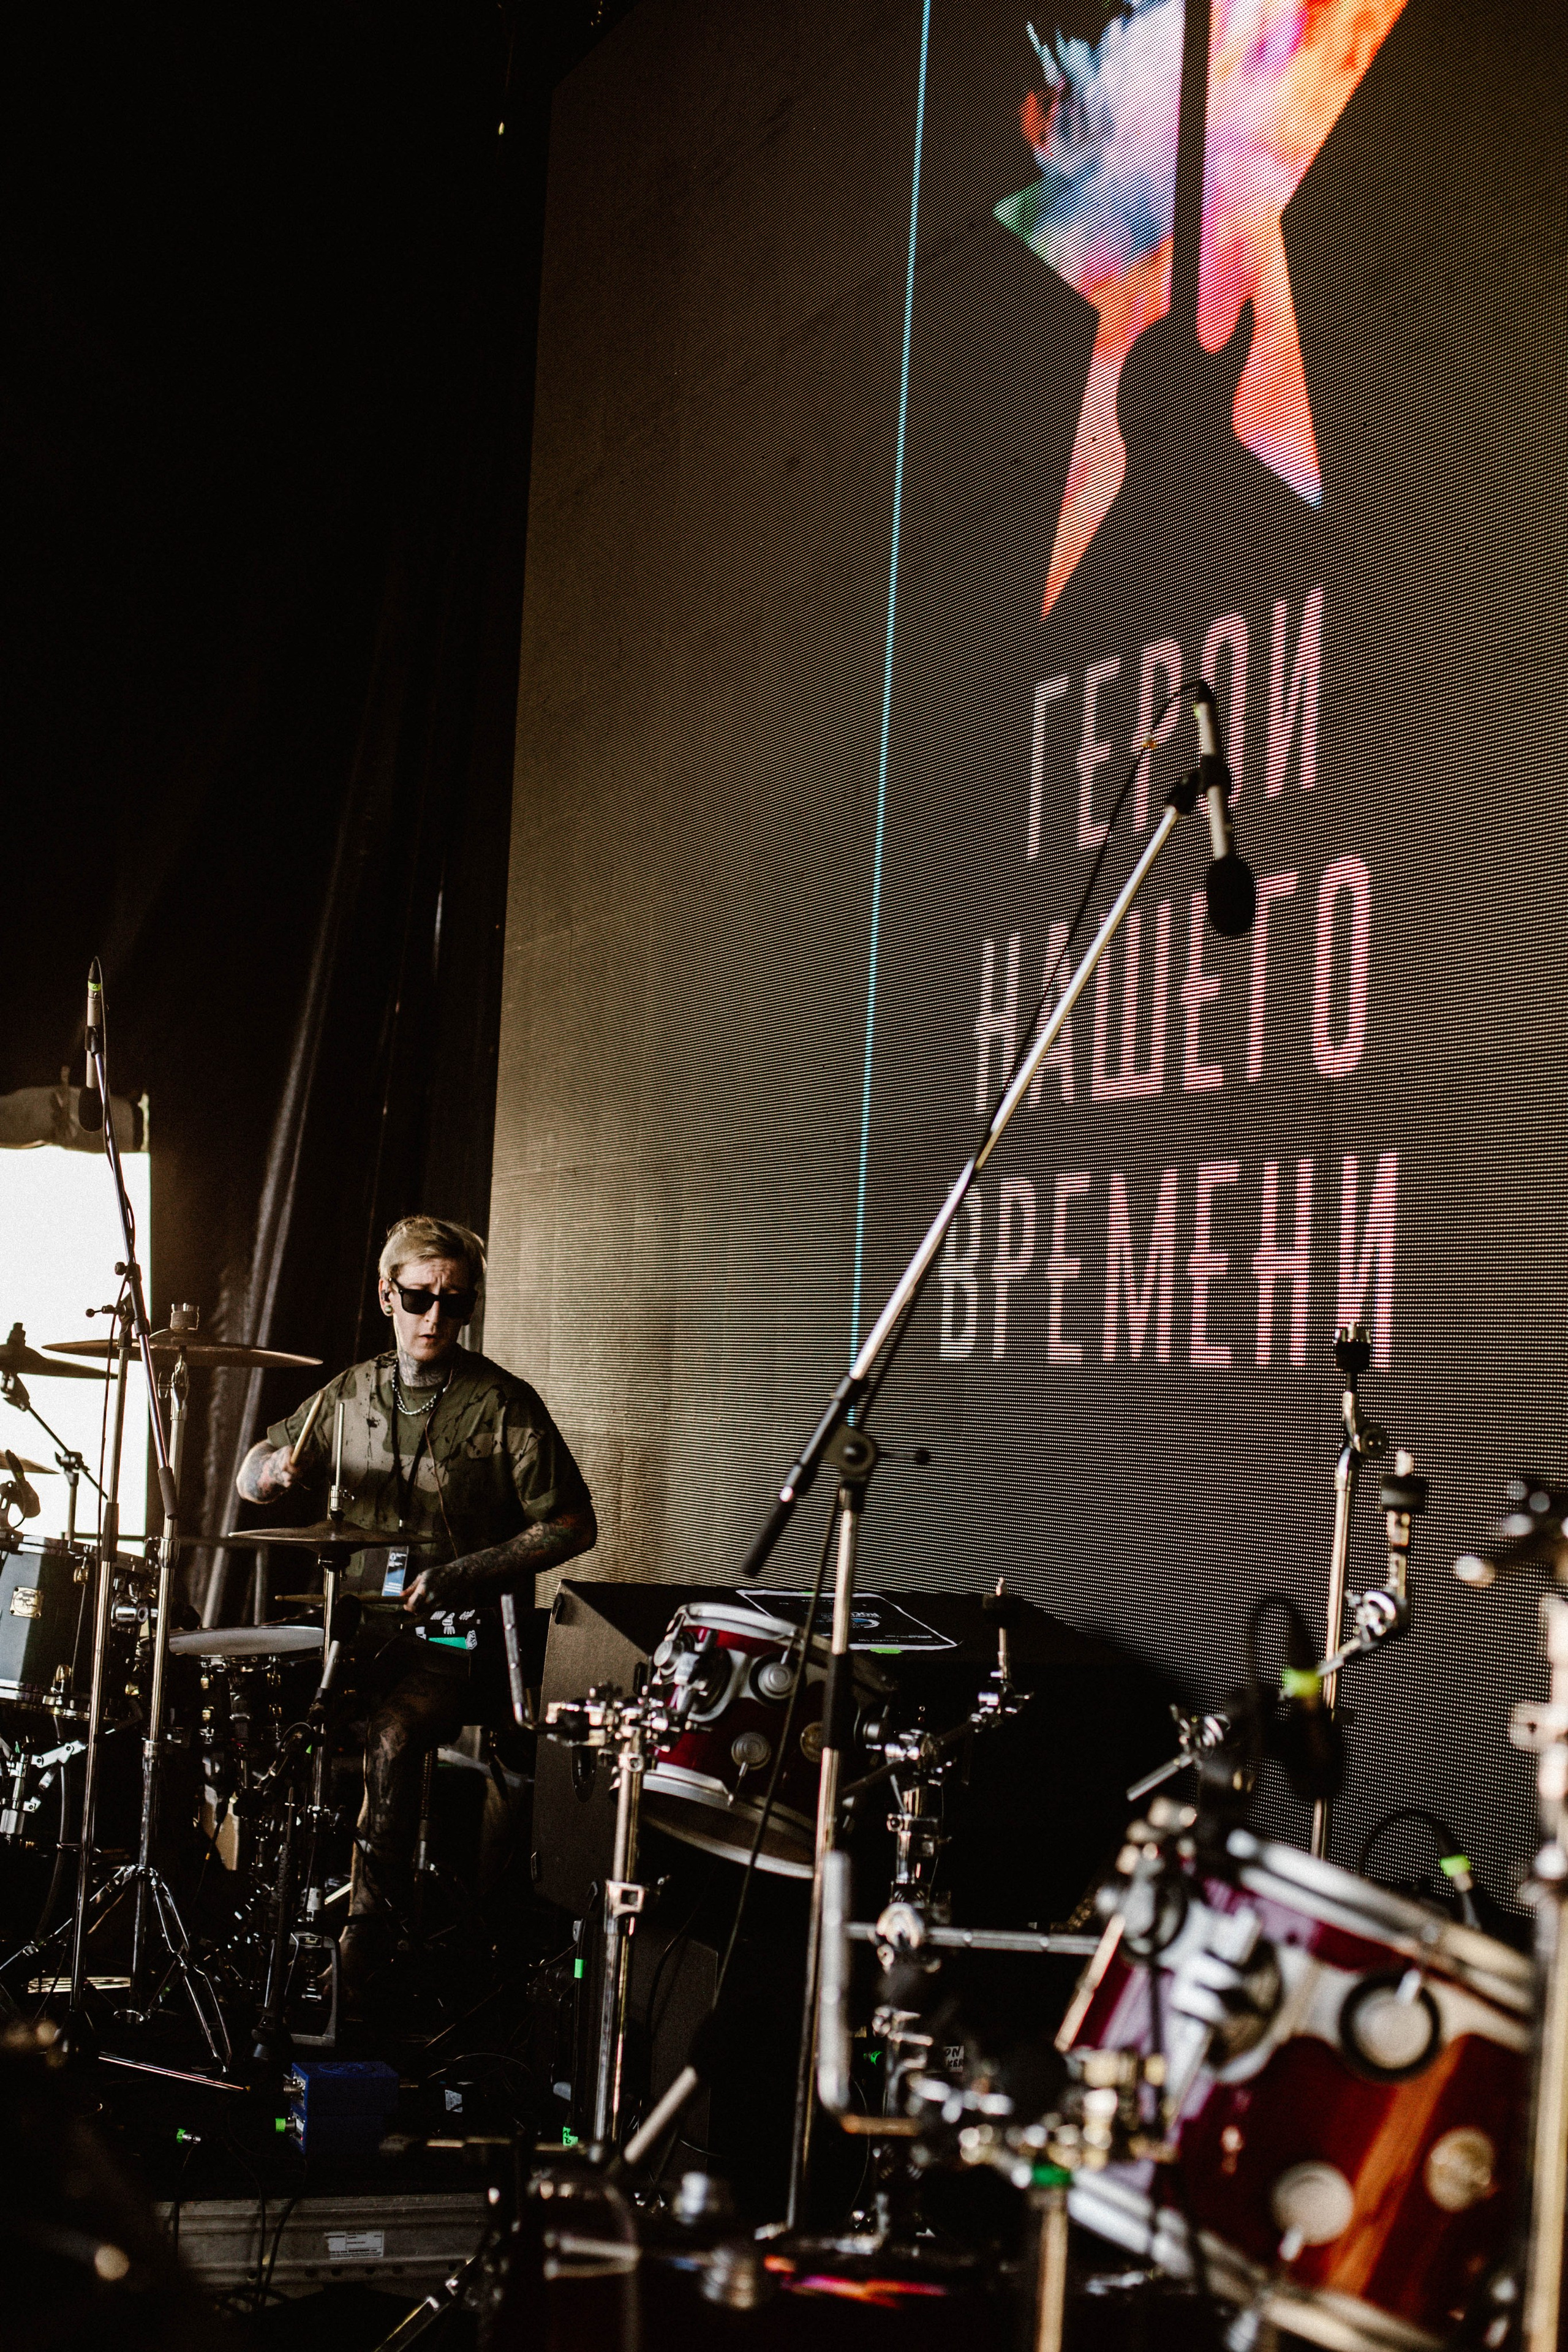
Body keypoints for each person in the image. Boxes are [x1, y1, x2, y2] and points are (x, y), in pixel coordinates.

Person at [236, 1213, 596, 1992]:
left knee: (395, 1733)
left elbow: (573, 1522)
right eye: (420, 1297)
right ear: (385, 1295)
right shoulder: (347, 1393)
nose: (437, 1317)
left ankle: (368, 1935)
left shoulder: (503, 1404)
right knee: (249, 1697)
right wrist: (267, 1475)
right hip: (356, 1633)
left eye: (456, 1302)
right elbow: (256, 1466)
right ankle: (252, 1916)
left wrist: (471, 1572)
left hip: (457, 1644)